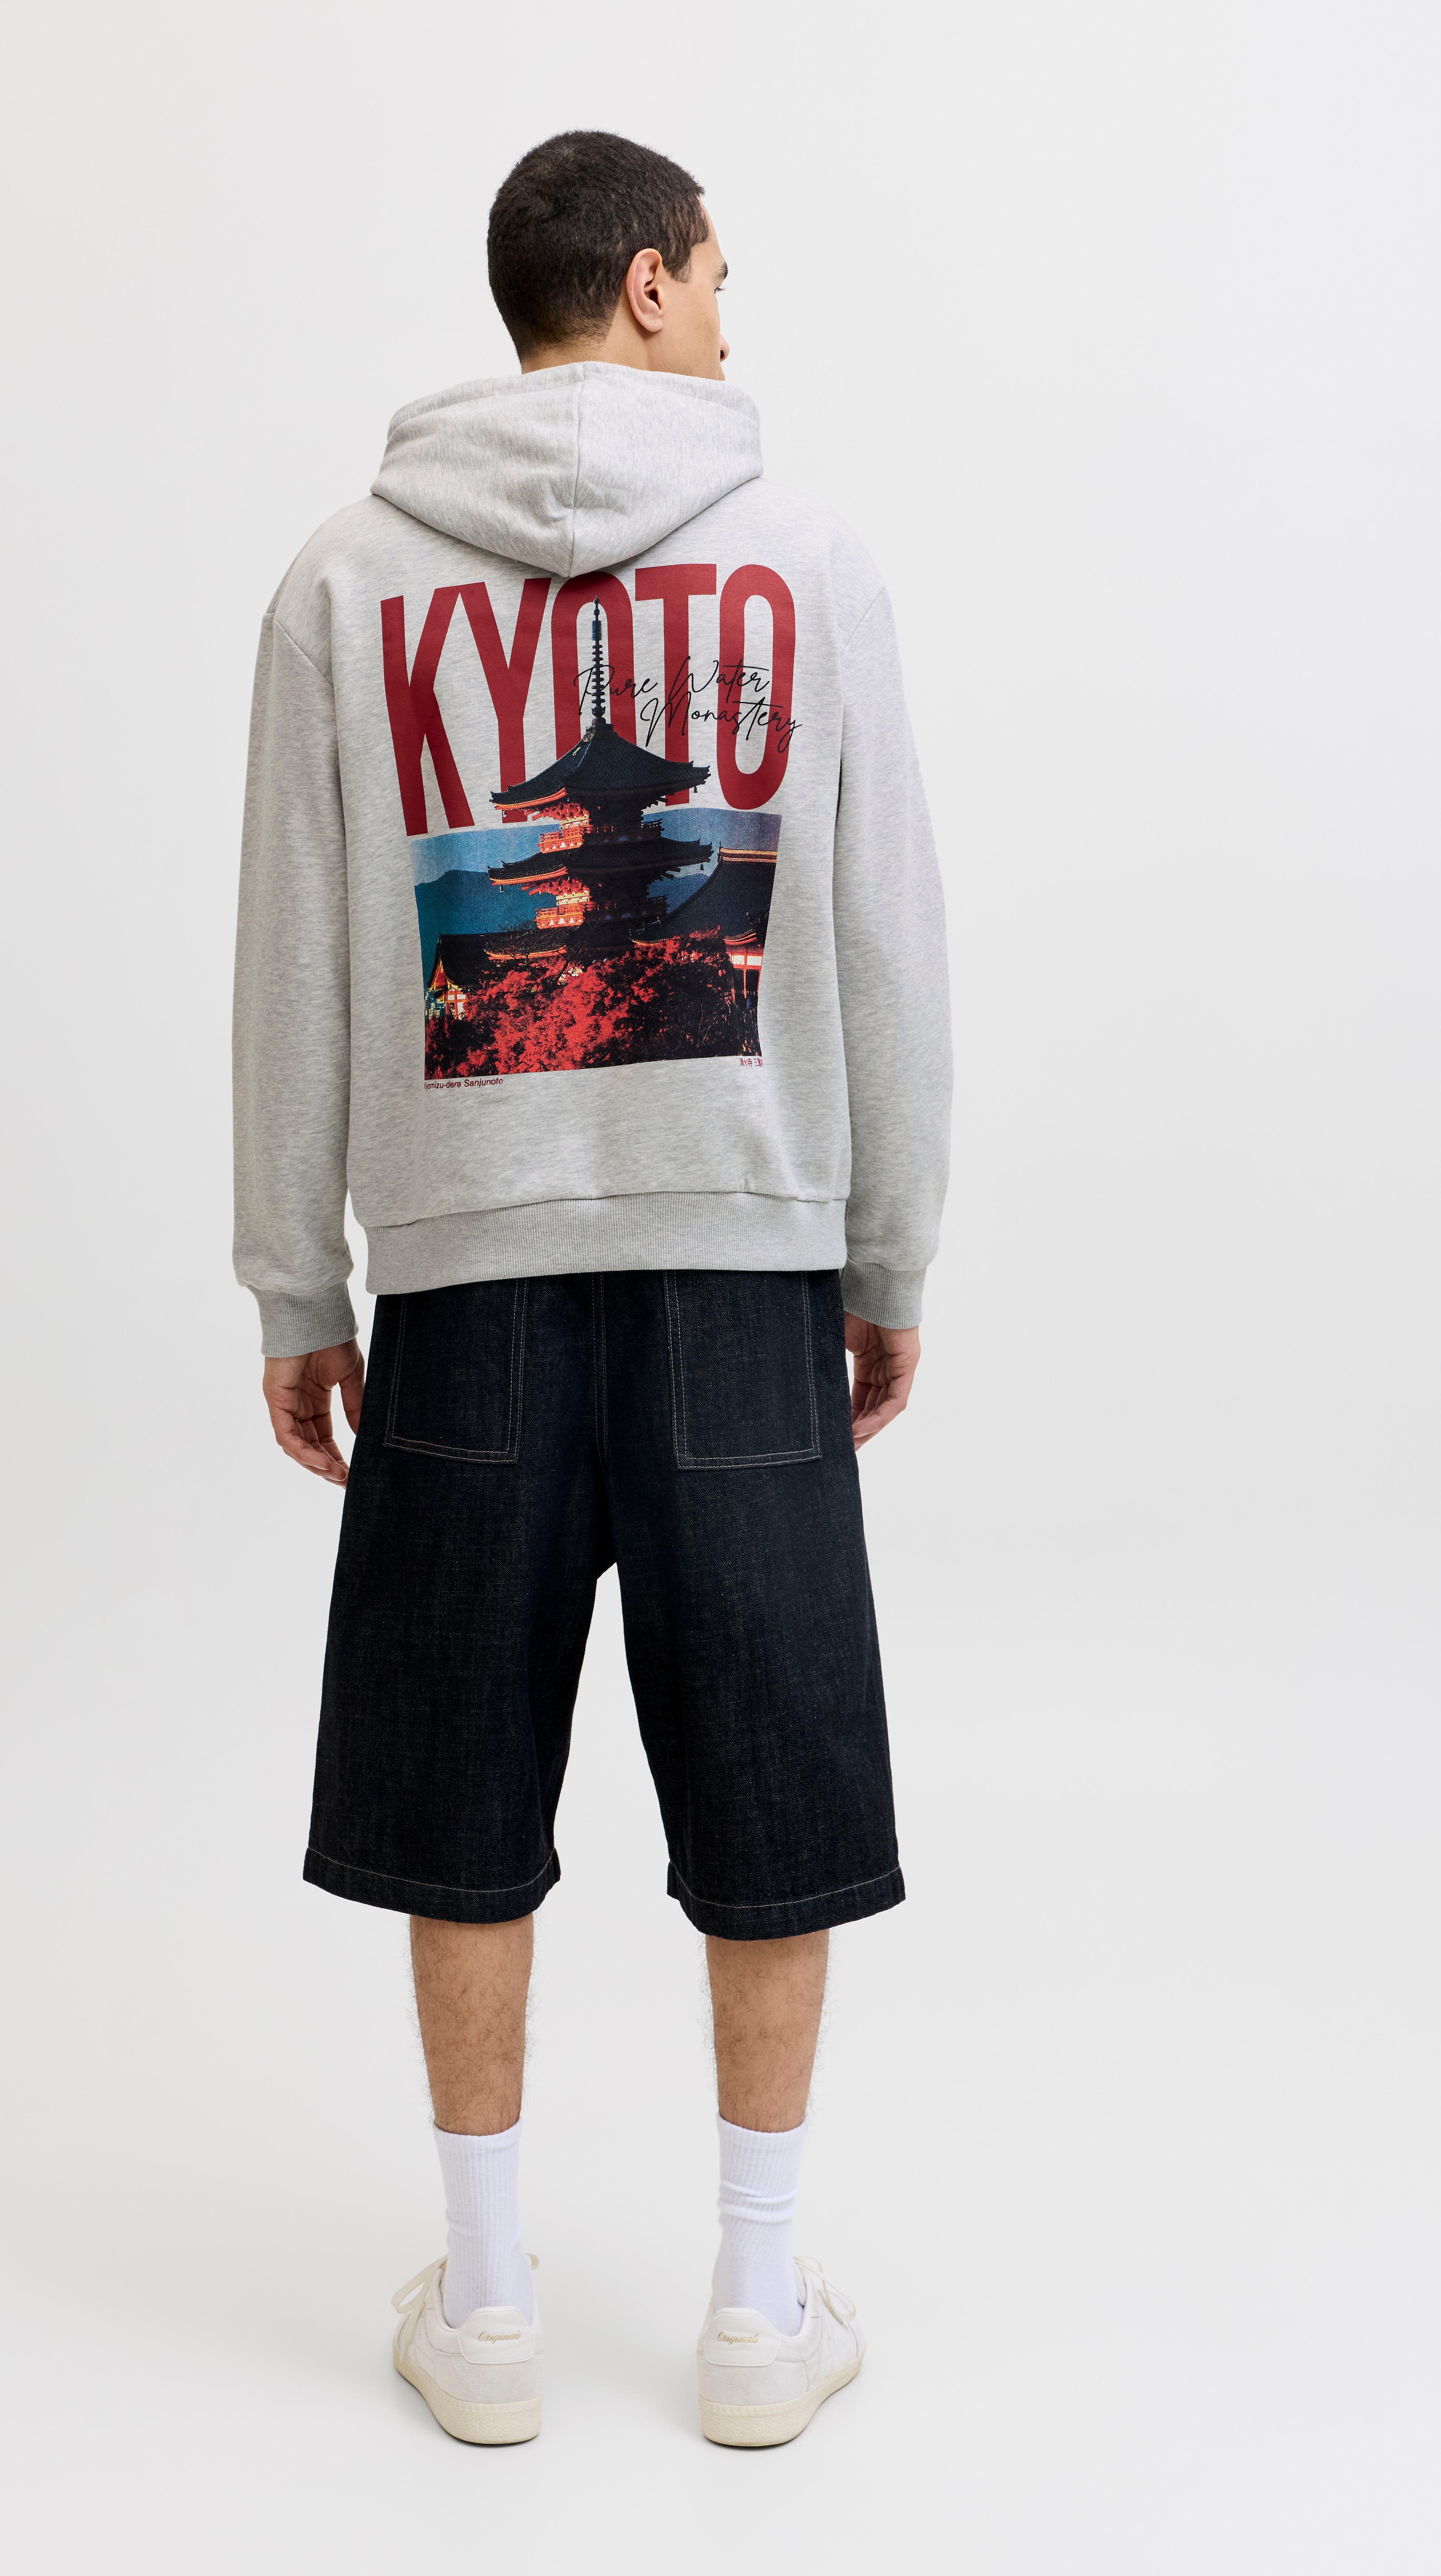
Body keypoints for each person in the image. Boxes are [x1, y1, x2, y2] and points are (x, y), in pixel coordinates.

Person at [233, 129, 950, 2448]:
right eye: (716, 274)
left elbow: (294, 961)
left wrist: (296, 1283)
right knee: (775, 1782)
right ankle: (754, 2313)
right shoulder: (809, 561)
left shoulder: (343, 583)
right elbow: (884, 937)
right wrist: (888, 1246)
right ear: (643, 284)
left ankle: (490, 2304)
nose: (732, 314)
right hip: (747, 1266)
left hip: (466, 1287)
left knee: (462, 1788)